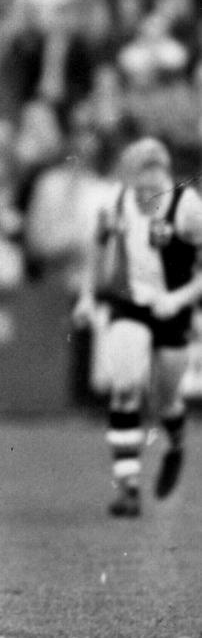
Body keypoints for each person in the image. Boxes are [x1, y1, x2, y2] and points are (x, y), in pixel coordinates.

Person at [73, 137, 202, 518]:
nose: (145, 190)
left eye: (153, 180)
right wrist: (86, 295)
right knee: (126, 386)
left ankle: (177, 445)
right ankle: (127, 486)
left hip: (173, 308)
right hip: (129, 303)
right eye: (138, 181)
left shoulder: (188, 208)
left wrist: (178, 300)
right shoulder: (117, 202)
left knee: (166, 401)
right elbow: (96, 247)